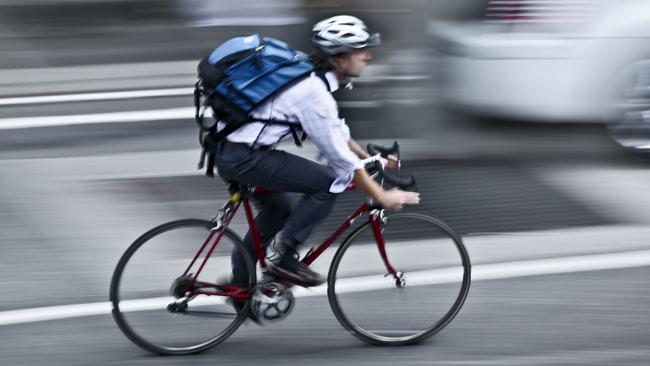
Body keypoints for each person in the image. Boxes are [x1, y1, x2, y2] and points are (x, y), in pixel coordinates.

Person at [214, 15, 420, 288]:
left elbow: (336, 132)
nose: (369, 56)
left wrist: (368, 159)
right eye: (361, 50)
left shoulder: (310, 76)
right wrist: (382, 196)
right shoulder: (313, 93)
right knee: (327, 184)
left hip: (233, 152)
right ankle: (285, 260)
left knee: (278, 210)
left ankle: (240, 285)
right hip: (246, 158)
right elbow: (340, 162)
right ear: (340, 58)